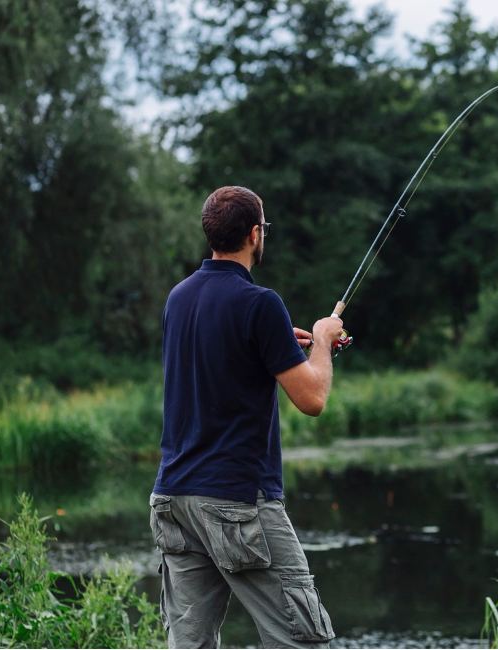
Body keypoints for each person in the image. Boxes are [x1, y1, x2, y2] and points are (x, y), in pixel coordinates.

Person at [148, 186, 344, 649]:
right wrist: (321, 338)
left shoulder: (178, 298)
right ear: (255, 234)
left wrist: (278, 344)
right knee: (303, 639)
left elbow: (225, 359)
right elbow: (313, 398)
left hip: (173, 499)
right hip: (236, 500)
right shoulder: (260, 303)